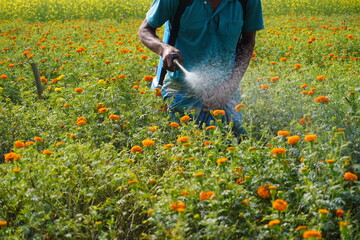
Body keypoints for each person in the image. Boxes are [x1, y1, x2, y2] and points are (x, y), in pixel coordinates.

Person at [138, 0, 264, 138]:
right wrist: (163, 48)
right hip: (181, 88)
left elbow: (248, 42)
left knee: (234, 141)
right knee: (182, 142)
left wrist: (229, 87)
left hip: (225, 89)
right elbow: (145, 30)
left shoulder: (247, 2)